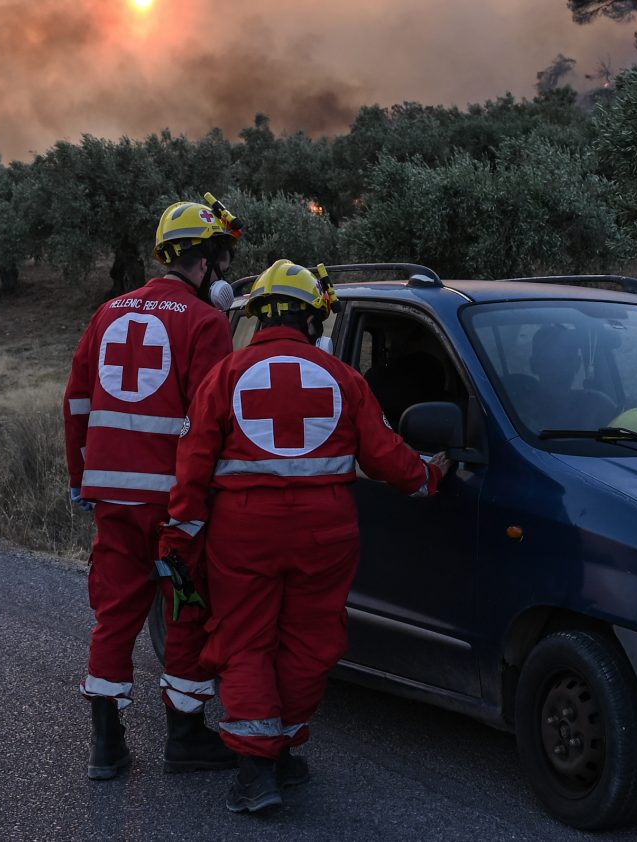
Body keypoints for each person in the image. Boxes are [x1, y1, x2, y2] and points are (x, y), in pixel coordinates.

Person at [159, 259, 452, 813]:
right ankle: (284, 753)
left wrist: (179, 539)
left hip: (243, 533)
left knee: (245, 641)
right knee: (309, 643)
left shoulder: (225, 376)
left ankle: (256, 773)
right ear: (313, 318)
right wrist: (430, 477)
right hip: (326, 533)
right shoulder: (343, 378)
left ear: (259, 316)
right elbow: (389, 458)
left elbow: (191, 469)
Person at [63, 196, 242, 781]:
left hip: (113, 497)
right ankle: (185, 738)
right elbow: (210, 421)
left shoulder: (107, 313)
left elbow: (76, 404)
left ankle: (105, 746)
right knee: (185, 611)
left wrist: (82, 481)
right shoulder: (206, 322)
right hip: (173, 503)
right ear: (205, 261)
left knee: (115, 612)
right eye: (220, 257)